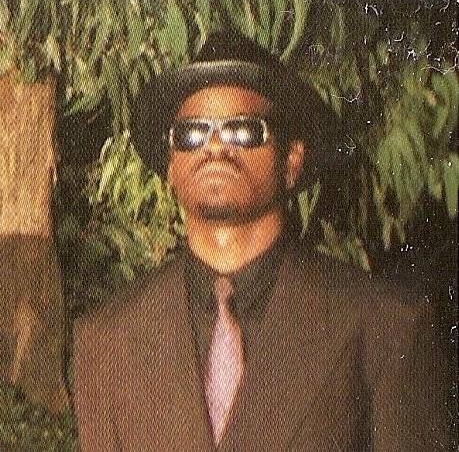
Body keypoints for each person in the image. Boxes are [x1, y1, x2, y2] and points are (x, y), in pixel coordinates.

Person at [73, 32, 451, 451]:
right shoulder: (106, 341)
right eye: (191, 133)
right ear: (170, 166)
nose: (214, 147)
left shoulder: (386, 325)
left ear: (291, 160)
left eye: (243, 130)